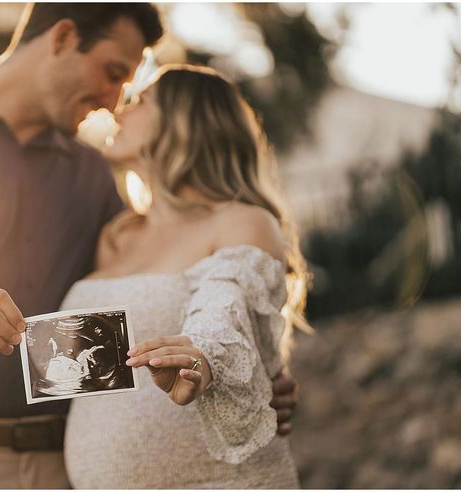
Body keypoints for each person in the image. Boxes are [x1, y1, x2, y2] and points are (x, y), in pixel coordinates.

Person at [0, 4, 298, 489]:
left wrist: (243, 374)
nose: (112, 103)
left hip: (60, 466)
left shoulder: (93, 176)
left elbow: (146, 298)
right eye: (112, 73)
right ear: (63, 38)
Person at [61, 64, 310, 488]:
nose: (118, 109)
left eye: (139, 101)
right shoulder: (115, 237)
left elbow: (221, 313)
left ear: (184, 121)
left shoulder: (244, 222)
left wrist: (204, 359)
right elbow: (91, 371)